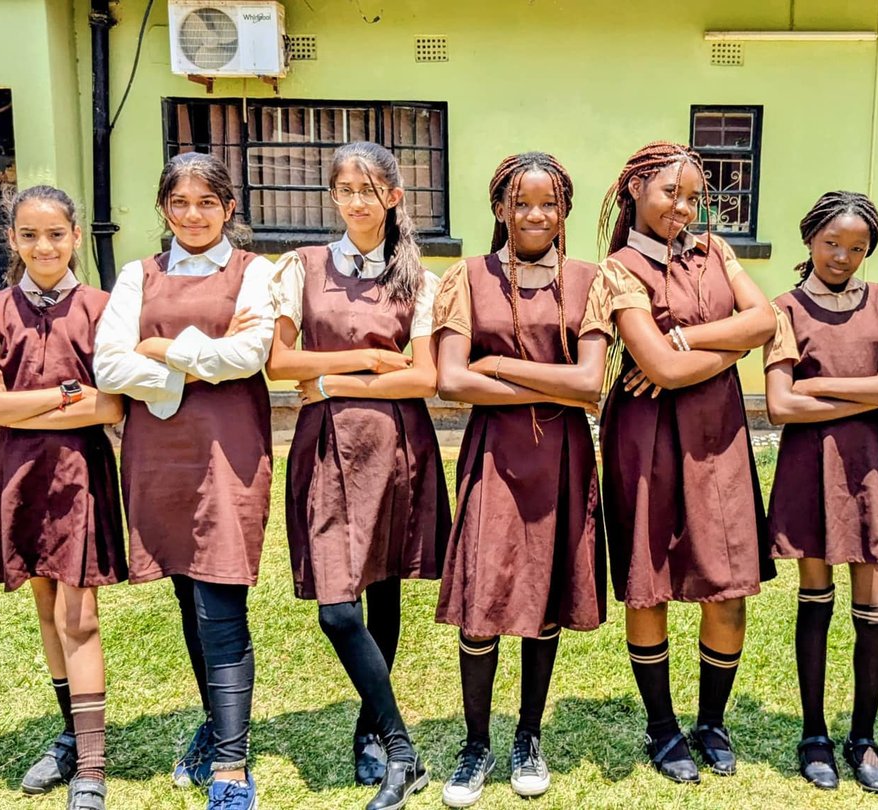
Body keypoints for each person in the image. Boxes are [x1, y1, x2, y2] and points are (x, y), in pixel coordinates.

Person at [265, 141, 448, 810]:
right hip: (324, 444)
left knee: (384, 588)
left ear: (395, 197)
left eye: (369, 189)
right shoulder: (302, 268)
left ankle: (371, 730)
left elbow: (426, 375)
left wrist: (345, 373)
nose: (356, 200)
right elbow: (280, 365)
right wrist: (375, 363)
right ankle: (403, 747)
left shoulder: (418, 280)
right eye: (344, 189)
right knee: (338, 608)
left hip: (395, 446)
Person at [93, 152, 276, 810]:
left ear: (229, 209)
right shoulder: (136, 277)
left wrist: (161, 351)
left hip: (227, 451)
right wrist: (197, 364)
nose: (193, 215)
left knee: (221, 604)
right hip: (158, 455)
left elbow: (251, 355)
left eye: (207, 202)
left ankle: (230, 765)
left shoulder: (256, 272)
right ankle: (215, 725)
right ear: (164, 209)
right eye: (180, 202)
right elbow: (108, 366)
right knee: (187, 600)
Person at [433, 152, 610, 807]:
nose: (536, 214)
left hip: (562, 460)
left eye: (550, 203)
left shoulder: (591, 280)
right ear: (500, 208)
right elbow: (452, 380)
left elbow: (591, 381)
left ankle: (527, 736)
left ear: (564, 210)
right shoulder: (468, 278)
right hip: (493, 456)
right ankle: (476, 743)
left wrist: (501, 368)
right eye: (522, 202)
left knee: (544, 602)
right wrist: (553, 386)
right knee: (483, 605)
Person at [598, 141, 776, 783]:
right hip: (644, 439)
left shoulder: (716, 252)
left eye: (695, 196)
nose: (684, 206)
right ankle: (662, 727)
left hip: (717, 433)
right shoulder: (615, 269)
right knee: (651, 583)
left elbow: (767, 320)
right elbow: (662, 369)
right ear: (636, 189)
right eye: (671, 192)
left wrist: (690, 340)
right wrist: (725, 350)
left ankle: (712, 721)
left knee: (726, 583)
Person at [0, 184, 126, 810]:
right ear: (13, 240)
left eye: (56, 233)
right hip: (17, 476)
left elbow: (109, 404)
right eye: (29, 234)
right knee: (46, 604)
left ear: (76, 237)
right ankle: (67, 734)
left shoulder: (106, 309)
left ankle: (91, 766)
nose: (43, 245)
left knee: (78, 615)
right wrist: (63, 397)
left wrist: (19, 405)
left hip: (80, 473)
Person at [763, 191, 878, 794]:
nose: (843, 256)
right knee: (815, 596)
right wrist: (870, 390)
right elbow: (780, 405)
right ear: (810, 240)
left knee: (873, 604)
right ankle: (813, 735)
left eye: (857, 248)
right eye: (832, 243)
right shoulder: (784, 309)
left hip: (870, 467)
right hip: (812, 466)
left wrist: (824, 387)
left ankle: (863, 736)